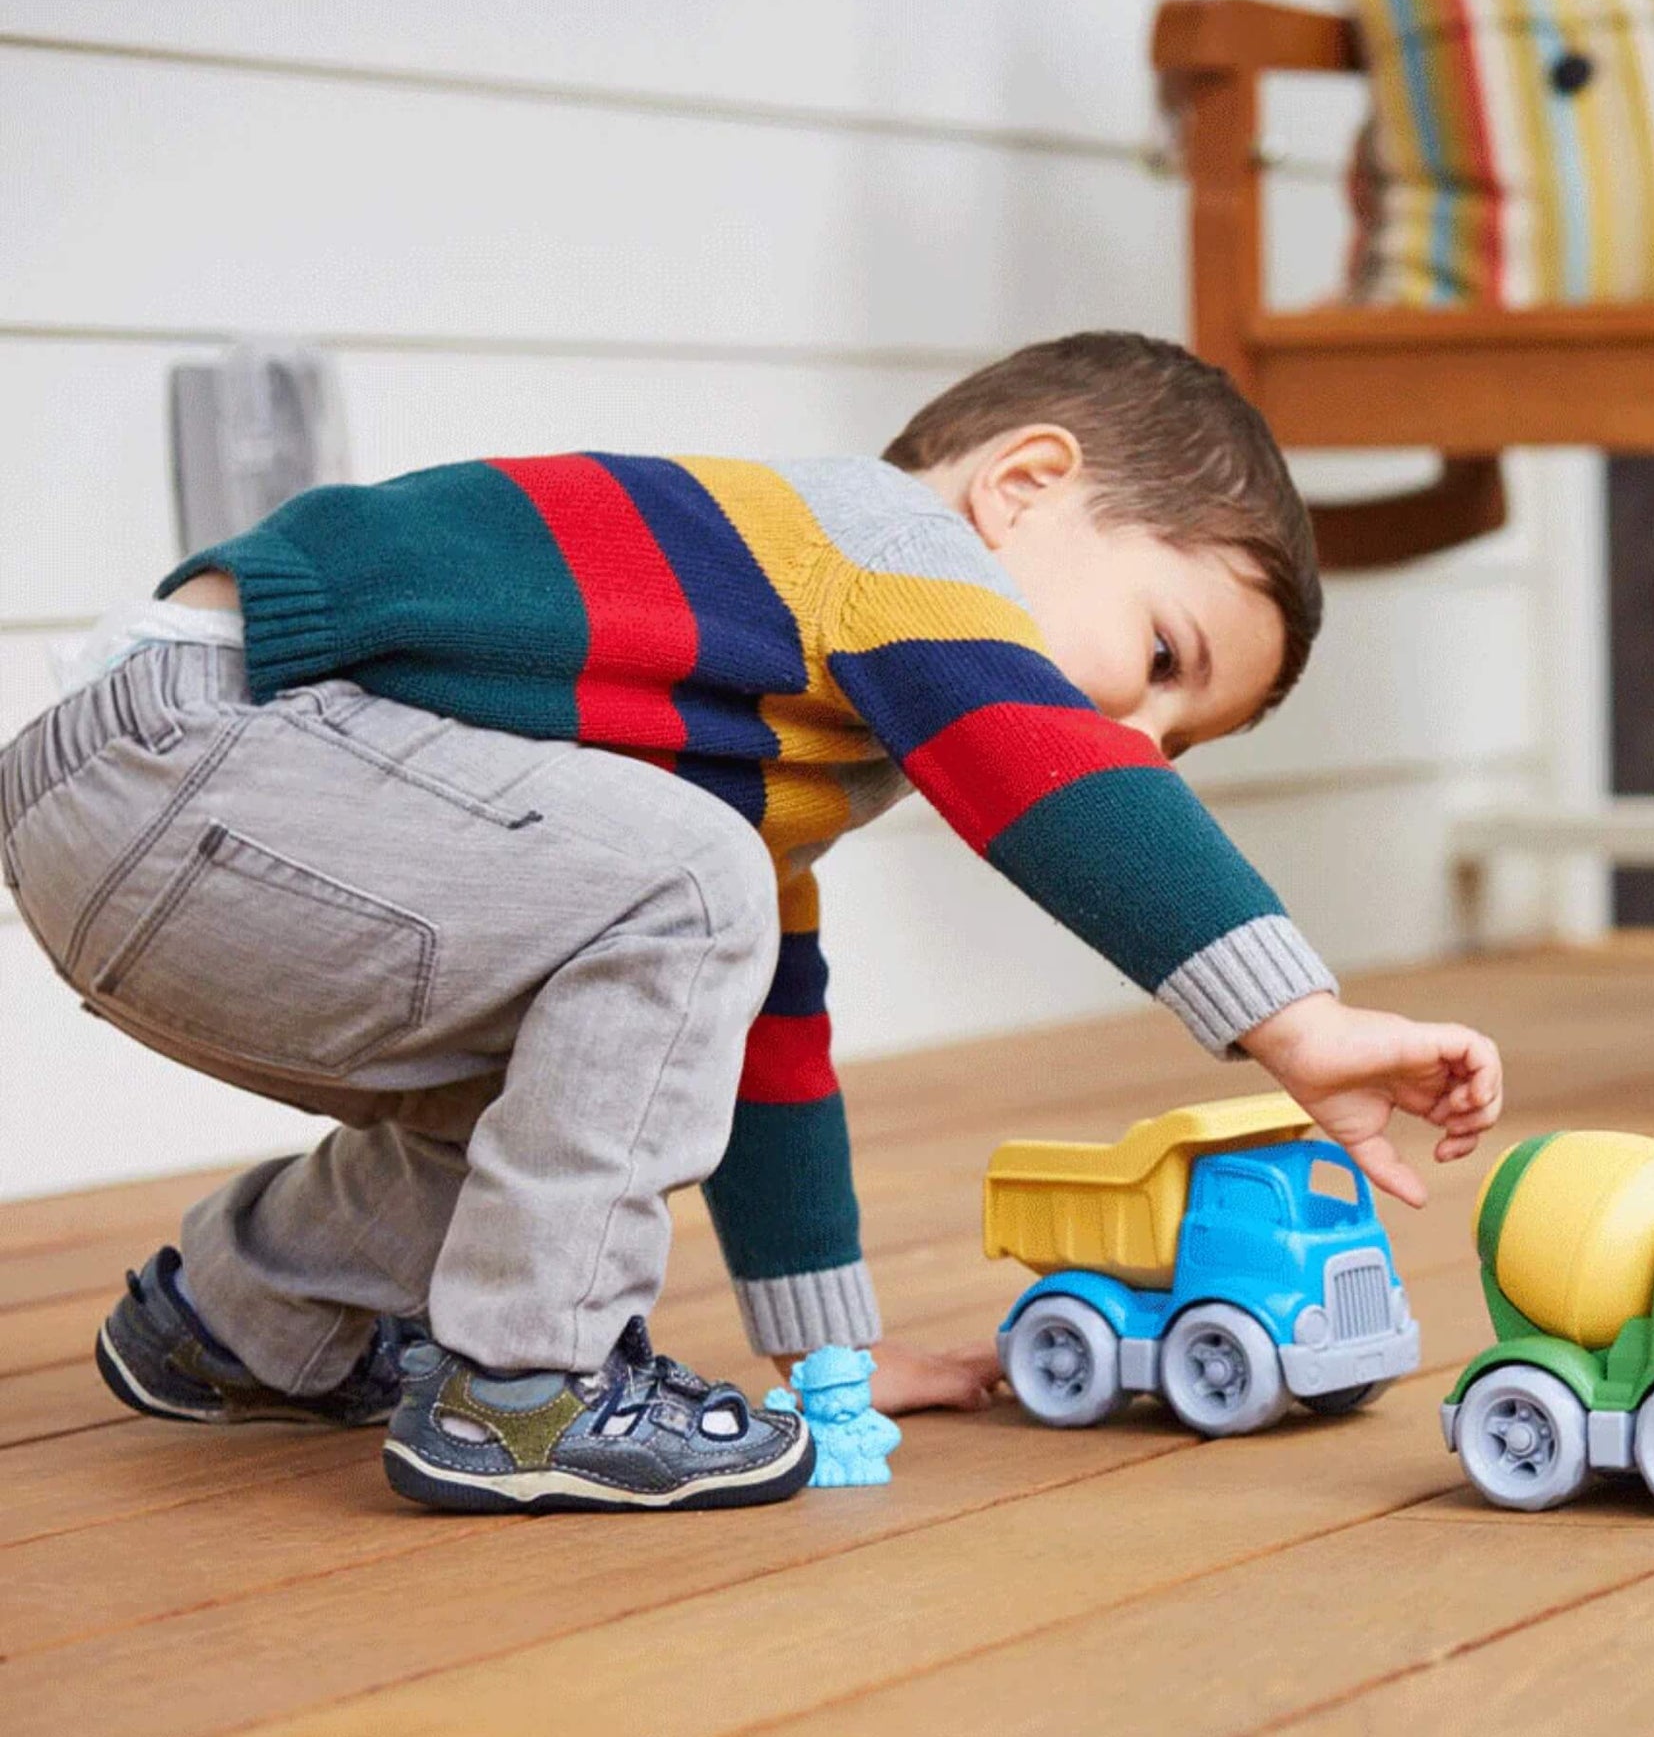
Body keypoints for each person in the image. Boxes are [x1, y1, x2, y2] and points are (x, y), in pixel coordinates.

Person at [0, 331, 1502, 1514]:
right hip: (197, 752)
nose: (1132, 726)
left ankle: (238, 1319)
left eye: (1178, 737)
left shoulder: (738, 748)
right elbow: (1042, 769)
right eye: (1161, 653)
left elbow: (754, 1055)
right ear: (1023, 485)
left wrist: (828, 1356)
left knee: (586, 1069)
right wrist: (1296, 1019)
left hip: (186, 818)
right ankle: (526, 1392)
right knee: (685, 883)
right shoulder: (876, 541)